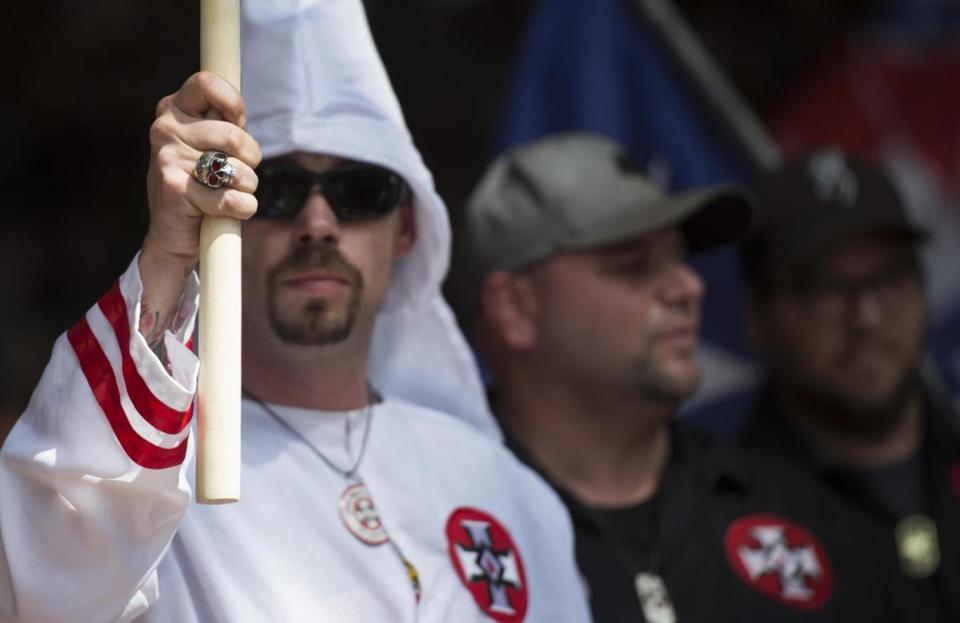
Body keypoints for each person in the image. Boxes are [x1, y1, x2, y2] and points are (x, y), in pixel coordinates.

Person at [0, 2, 591, 622]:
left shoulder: (512, 494)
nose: (318, 224)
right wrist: (168, 252)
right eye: (275, 190)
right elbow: (45, 588)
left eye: (360, 192)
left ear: (408, 229)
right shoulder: (146, 483)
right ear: (219, 216)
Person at [451, 132, 919, 622]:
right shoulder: (431, 529)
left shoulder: (811, 516)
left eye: (680, 259)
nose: (689, 286)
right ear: (516, 309)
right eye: (634, 267)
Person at [739, 148, 960, 621]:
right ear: (758, 315)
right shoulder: (725, 522)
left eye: (891, 277)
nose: (867, 317)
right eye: (826, 289)